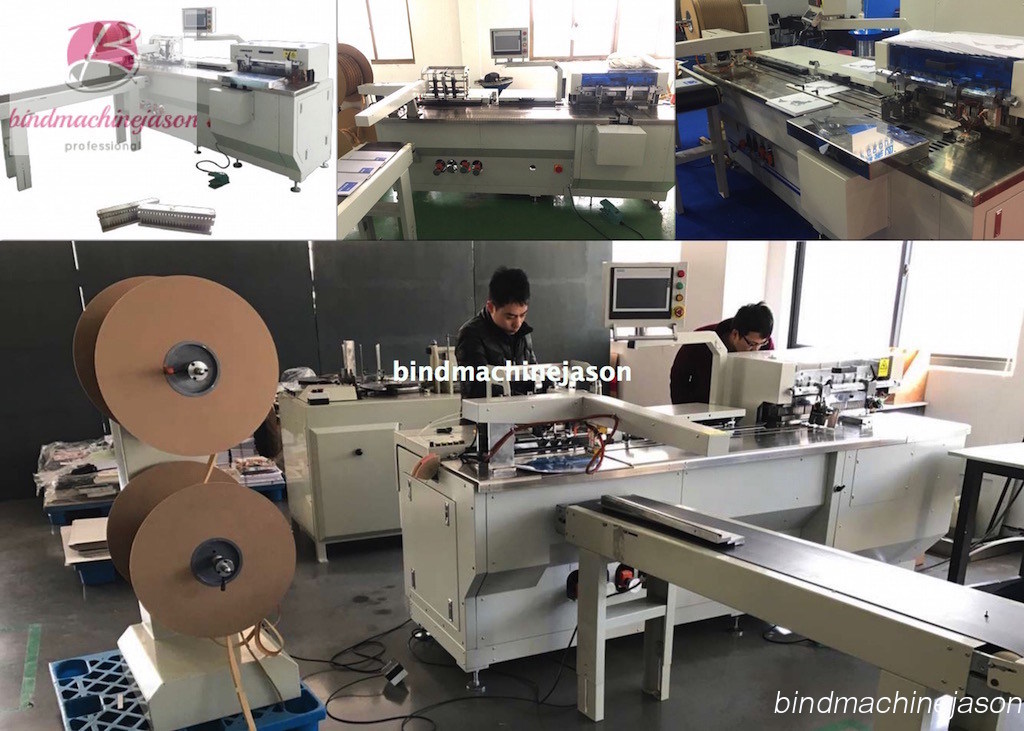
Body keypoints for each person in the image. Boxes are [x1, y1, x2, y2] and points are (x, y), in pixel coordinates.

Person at [670, 302, 775, 405]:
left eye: (762, 343)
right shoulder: (701, 340)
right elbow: (679, 377)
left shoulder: (766, 346)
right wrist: (685, 410)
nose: (756, 350)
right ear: (735, 334)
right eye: (751, 344)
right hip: (701, 406)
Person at [456, 267, 537, 398]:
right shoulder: (471, 335)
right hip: (487, 410)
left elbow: (533, 373)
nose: (517, 323)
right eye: (510, 317)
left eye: (522, 315)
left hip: (523, 409)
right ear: (491, 307)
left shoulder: (523, 333)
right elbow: (477, 389)